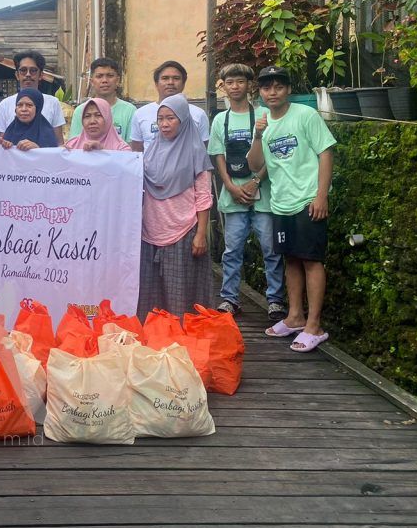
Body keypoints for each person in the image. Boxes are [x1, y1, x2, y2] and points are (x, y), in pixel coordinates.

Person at [247, 66, 336, 353]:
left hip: (307, 200)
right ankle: (295, 316)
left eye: (278, 87)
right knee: (291, 260)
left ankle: (314, 326)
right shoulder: (262, 123)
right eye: (266, 87)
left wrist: (321, 195)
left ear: (288, 90)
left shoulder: (305, 115)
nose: (272, 92)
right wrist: (258, 135)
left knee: (311, 260)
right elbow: (255, 165)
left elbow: (326, 152)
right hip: (280, 204)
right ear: (259, 92)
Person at [207, 64, 285, 319]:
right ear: (224, 86)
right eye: (230, 82)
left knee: (270, 248)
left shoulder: (264, 114)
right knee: (232, 250)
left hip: (263, 194)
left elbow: (272, 153)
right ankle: (229, 298)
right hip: (234, 195)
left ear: (249, 85)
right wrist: (229, 186)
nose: (235, 86)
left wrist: (255, 182)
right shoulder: (221, 119)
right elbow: (218, 155)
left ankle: (275, 299)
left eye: (240, 81)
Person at [136, 94, 214, 318]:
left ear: (183, 119)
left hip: (182, 231)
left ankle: (181, 338)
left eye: (171, 118)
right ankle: (155, 339)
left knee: (179, 293)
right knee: (150, 296)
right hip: (150, 231)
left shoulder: (195, 151)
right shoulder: (150, 152)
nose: (164, 124)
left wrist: (201, 234)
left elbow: (203, 196)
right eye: (160, 119)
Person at [130, 60, 210, 152]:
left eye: (176, 78)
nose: (170, 82)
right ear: (156, 84)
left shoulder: (198, 114)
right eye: (165, 78)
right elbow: (137, 151)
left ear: (183, 83)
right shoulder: (140, 114)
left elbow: (202, 150)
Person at [0, 50, 65, 145]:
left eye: (33, 70)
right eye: (23, 70)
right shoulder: (5, 104)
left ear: (41, 75)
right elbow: (1, 144)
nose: (28, 74)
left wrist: (38, 150)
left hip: (44, 160)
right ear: (17, 75)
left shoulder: (53, 102)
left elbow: (59, 143)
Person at [68, 58, 137, 144]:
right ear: (92, 82)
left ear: (118, 81)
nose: (104, 81)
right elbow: (74, 145)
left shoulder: (130, 111)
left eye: (110, 76)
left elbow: (132, 147)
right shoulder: (81, 110)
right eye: (99, 76)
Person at [64, 98, 131, 152]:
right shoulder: (71, 146)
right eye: (87, 116)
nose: (92, 121)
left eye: (98, 115)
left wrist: (102, 151)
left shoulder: (123, 150)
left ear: (108, 119)